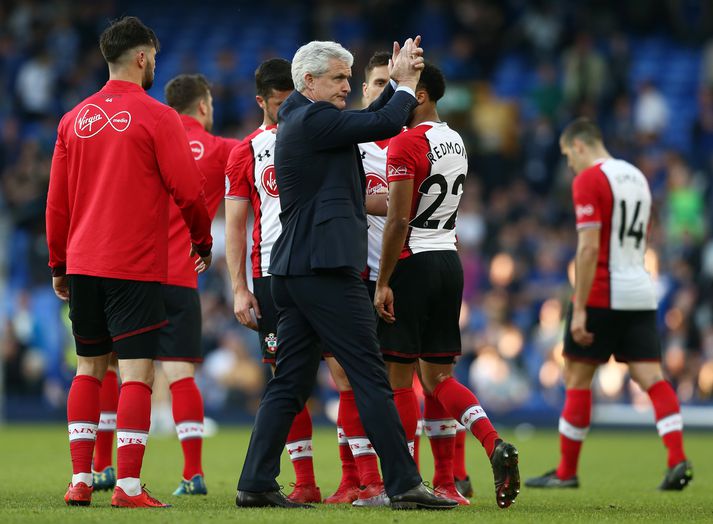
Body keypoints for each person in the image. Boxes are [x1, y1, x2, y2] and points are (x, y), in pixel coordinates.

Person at [235, 37, 456, 510]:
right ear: (308, 80)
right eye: (338, 78)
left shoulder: (300, 116)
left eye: (348, 78)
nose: (346, 86)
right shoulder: (315, 119)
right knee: (370, 375)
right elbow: (381, 120)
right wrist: (404, 83)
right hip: (326, 270)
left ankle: (254, 482)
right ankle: (404, 484)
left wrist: (393, 84)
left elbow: (368, 118)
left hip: (293, 271)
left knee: (290, 382)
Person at [46, 16, 213, 508]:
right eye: (155, 58)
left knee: (88, 370)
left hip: (82, 263)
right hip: (133, 265)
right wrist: (202, 242)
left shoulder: (72, 119)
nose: (155, 66)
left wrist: (59, 263)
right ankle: (128, 487)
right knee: (137, 374)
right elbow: (188, 189)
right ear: (142, 58)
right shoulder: (158, 117)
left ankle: (80, 480)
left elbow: (56, 203)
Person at [374, 62, 520, 509]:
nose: (393, 102)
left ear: (420, 97)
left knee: (400, 379)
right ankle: (490, 443)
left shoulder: (403, 143)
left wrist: (383, 281)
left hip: (412, 262)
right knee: (439, 377)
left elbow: (398, 217)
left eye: (401, 92)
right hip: (448, 261)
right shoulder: (456, 139)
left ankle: (406, 484)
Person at [525, 118, 693, 491]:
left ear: (580, 146)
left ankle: (567, 471)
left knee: (577, 378)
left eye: (569, 156)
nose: (570, 165)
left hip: (602, 289)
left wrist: (580, 307)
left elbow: (588, 247)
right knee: (651, 377)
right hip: (640, 290)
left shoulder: (588, 179)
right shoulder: (637, 177)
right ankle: (677, 458)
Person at [225, 58, 322, 504]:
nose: (287, 112)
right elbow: (235, 225)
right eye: (280, 104)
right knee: (287, 380)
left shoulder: (318, 133)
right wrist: (239, 287)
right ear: (261, 101)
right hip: (270, 278)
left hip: (324, 271)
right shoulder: (245, 150)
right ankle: (303, 482)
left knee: (345, 373)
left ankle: (362, 479)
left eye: (293, 102)